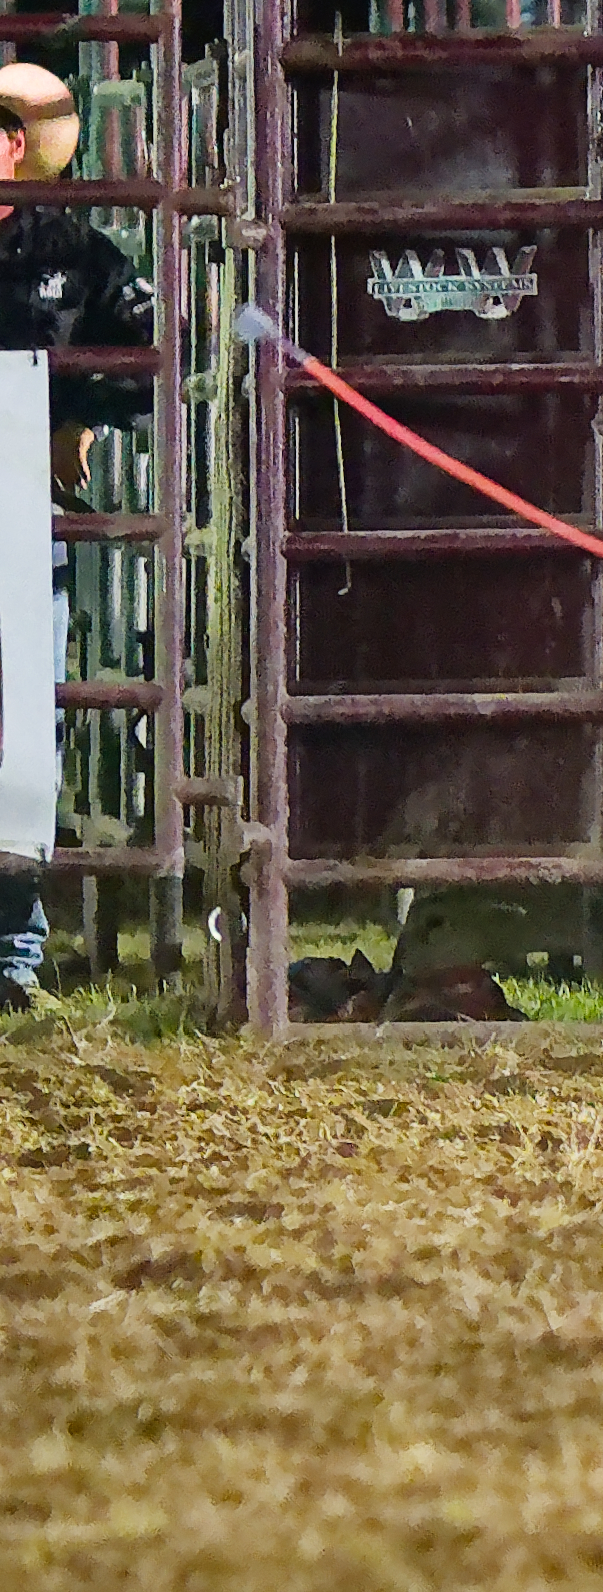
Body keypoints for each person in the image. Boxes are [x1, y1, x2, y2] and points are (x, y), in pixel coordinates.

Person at [0, 63, 156, 1010]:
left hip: (22, 514)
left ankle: (12, 956)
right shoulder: (69, 248)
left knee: (21, 730)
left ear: (16, 146)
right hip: (20, 514)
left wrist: (80, 417)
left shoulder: (75, 251)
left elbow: (145, 351)